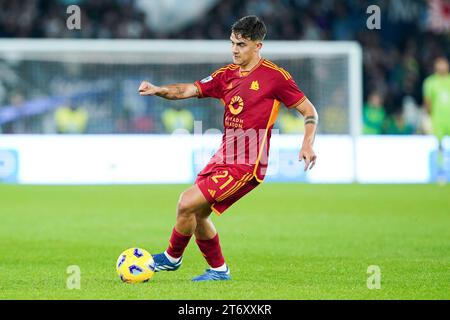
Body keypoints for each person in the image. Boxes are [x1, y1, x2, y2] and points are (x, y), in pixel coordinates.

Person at [138, 16, 318, 281]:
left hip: (248, 163)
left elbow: (308, 110)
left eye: (241, 44)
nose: (234, 49)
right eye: (232, 43)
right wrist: (158, 90)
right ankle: (219, 271)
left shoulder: (275, 77)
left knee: (186, 202)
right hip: (223, 156)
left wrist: (307, 142)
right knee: (198, 215)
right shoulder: (226, 75)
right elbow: (188, 90)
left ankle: (172, 258)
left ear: (257, 46)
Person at [423, 56, 450, 182]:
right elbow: (427, 102)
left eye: (443, 64)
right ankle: (441, 172)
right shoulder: (430, 82)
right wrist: (428, 117)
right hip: (438, 119)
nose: (442, 67)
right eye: (439, 64)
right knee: (439, 146)